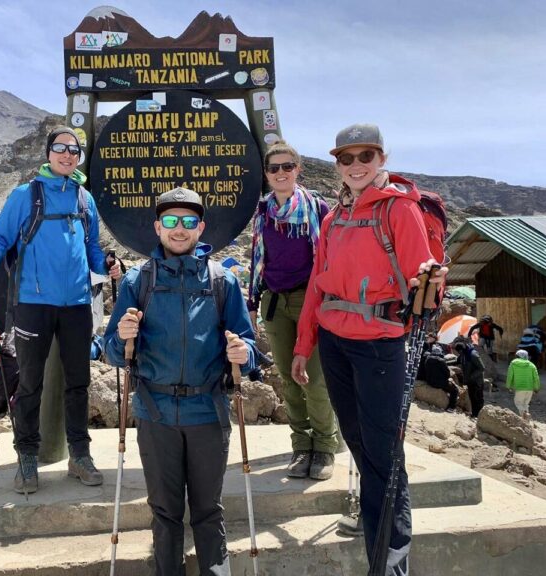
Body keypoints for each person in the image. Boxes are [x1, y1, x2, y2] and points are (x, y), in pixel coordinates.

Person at [290, 124, 446, 574]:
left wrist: (429, 285)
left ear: (381, 159)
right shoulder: (332, 218)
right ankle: (382, 531)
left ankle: (391, 551)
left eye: (366, 157)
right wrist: (305, 345)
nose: (356, 166)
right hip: (336, 344)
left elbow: (424, 283)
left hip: (380, 344)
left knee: (382, 451)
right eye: (346, 158)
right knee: (358, 441)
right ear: (337, 164)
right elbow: (318, 286)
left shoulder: (399, 209)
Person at [104, 187, 257, 576]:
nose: (179, 229)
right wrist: (121, 337)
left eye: (188, 221)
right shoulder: (138, 281)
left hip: (208, 411)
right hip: (155, 414)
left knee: (208, 511)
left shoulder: (222, 281)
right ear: (157, 227)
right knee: (165, 513)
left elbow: (247, 342)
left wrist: (245, 353)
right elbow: (109, 350)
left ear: (200, 228)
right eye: (170, 221)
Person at [0, 126, 121, 494]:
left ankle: (79, 455)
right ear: (48, 152)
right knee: (30, 383)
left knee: (78, 383)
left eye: (74, 150)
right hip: (33, 304)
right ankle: (26, 456)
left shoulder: (84, 199)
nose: (67, 155)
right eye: (60, 148)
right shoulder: (26, 195)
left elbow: (92, 249)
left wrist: (109, 263)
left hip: (77, 304)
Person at [246, 140, 339, 481]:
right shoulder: (263, 212)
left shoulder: (317, 208)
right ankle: (301, 445)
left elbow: (331, 255)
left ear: (298, 169)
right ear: (267, 175)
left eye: (287, 166)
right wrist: (254, 298)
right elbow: (259, 258)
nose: (281, 173)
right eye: (274, 168)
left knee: (314, 378)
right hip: (274, 300)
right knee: (287, 377)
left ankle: (325, 447)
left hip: (311, 300)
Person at [452, 337, 485, 418]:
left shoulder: (473, 354)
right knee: (472, 398)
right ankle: (474, 415)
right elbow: (458, 361)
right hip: (470, 381)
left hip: (477, 381)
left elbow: (482, 368)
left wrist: (471, 377)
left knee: (478, 400)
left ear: (461, 350)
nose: (459, 353)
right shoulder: (463, 354)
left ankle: (480, 417)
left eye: (459, 352)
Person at [507, 349, 541, 419]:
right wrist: (536, 388)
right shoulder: (532, 365)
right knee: (525, 404)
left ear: (517, 356)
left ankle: (525, 415)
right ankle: (525, 420)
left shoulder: (513, 363)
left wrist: (508, 386)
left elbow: (510, 375)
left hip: (519, 388)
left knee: (518, 403)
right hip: (530, 388)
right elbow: (536, 378)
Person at [424, 344, 458, 411]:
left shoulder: (427, 359)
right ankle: (451, 407)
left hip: (429, 382)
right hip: (439, 384)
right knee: (455, 390)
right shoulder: (442, 361)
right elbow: (447, 374)